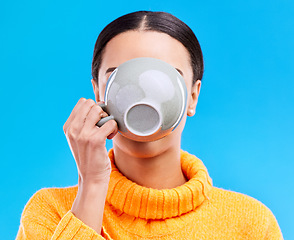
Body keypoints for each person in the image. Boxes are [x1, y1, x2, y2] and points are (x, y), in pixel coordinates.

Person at [16, 11, 283, 239]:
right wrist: (93, 184)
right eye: (119, 78)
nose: (143, 94)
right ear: (98, 93)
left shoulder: (250, 224)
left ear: (192, 96)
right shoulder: (50, 212)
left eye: (166, 78)